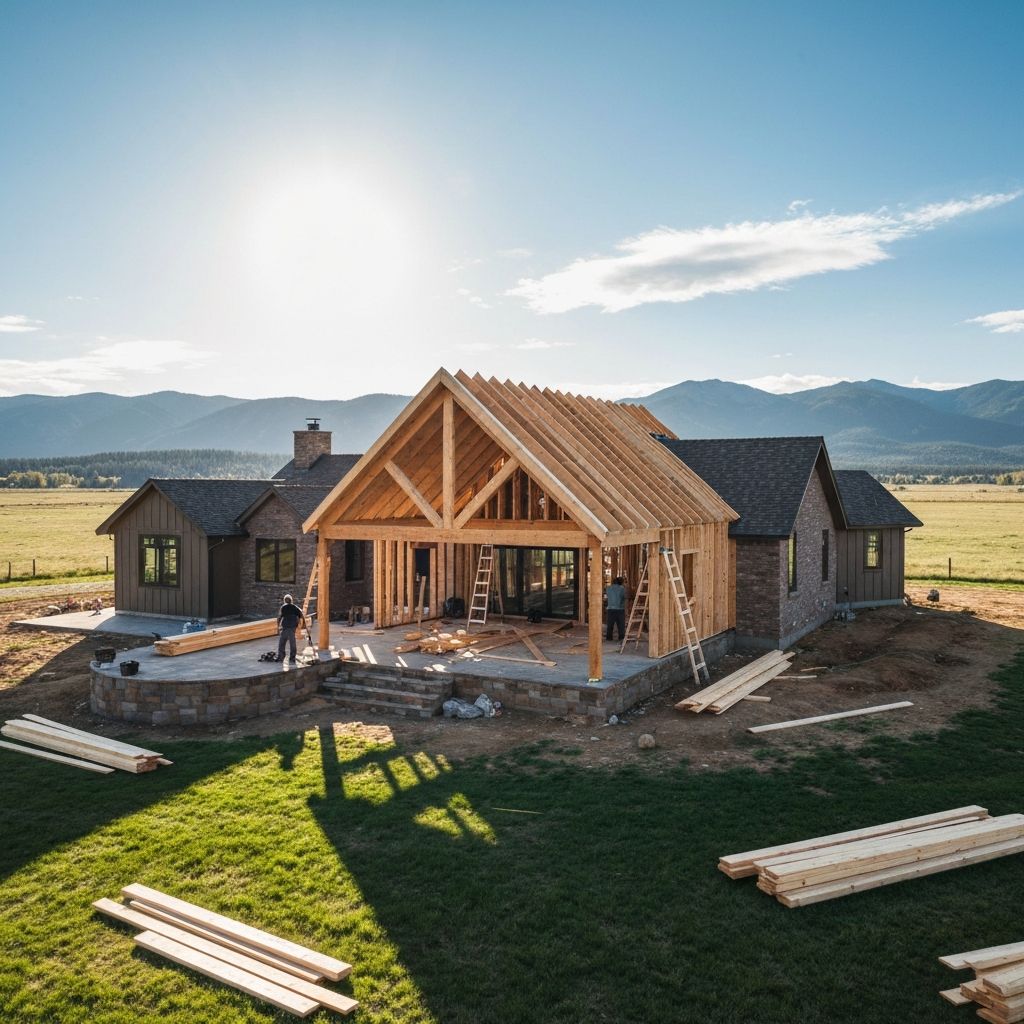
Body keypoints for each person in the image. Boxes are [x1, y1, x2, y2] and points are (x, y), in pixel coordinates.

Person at [276, 594, 306, 663]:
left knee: (282, 643)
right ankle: (292, 658)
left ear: (284, 601)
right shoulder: (295, 607)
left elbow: (279, 617)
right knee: (292, 642)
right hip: (292, 627)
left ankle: (281, 657)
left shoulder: (283, 607)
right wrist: (303, 624)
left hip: (286, 627)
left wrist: (277, 627)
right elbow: (301, 615)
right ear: (291, 600)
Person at [605, 576, 627, 642]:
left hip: (610, 608)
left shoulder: (608, 588)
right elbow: (624, 597)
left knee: (610, 624)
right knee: (620, 625)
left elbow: (607, 596)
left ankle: (609, 637)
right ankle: (621, 637)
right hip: (620, 609)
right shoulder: (622, 588)